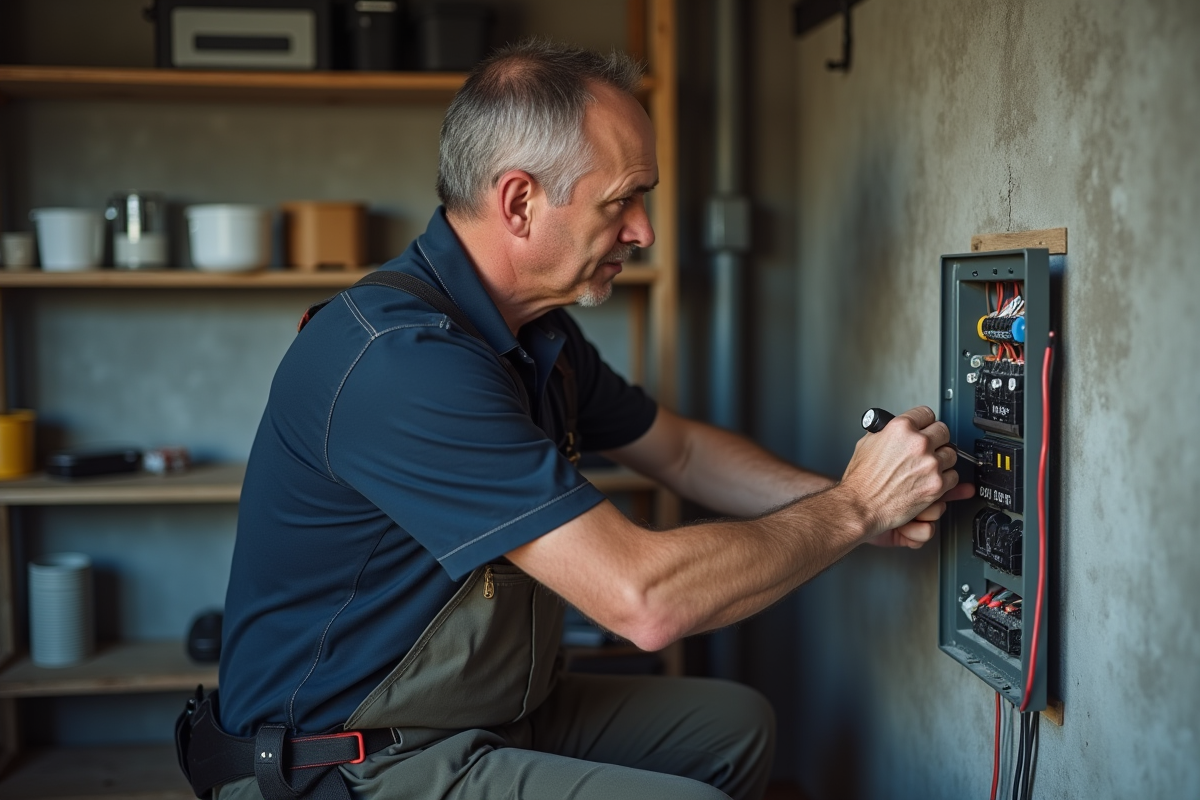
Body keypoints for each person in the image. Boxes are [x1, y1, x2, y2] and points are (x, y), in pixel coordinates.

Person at [209, 40, 971, 800]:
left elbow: (680, 454)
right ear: (519, 202)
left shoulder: (536, 333)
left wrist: (850, 501)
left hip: (478, 711)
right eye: (622, 201)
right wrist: (856, 507)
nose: (642, 232)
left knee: (733, 727)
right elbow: (644, 602)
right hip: (344, 759)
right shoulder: (403, 364)